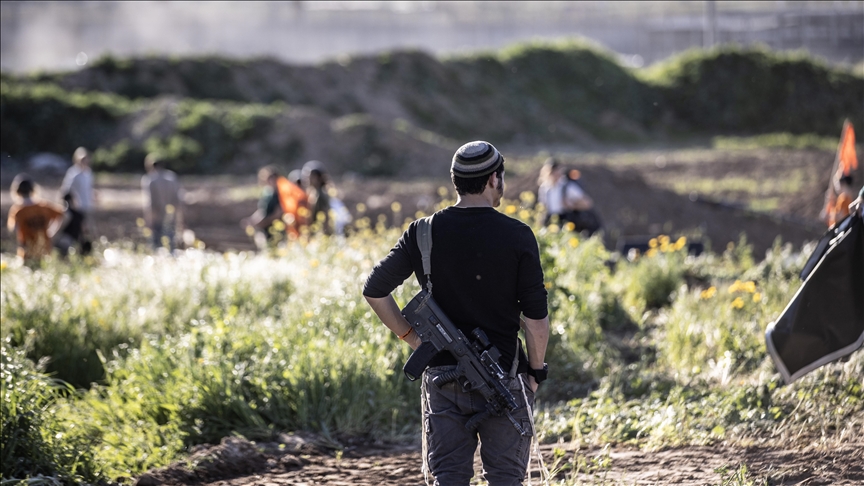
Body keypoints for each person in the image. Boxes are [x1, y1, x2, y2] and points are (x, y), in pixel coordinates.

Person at [363, 141, 550, 486]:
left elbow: (374, 290)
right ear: (495, 179)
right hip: (505, 375)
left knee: (448, 478)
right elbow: (536, 322)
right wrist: (536, 372)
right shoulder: (517, 235)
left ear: (456, 181)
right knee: (507, 479)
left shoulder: (423, 232)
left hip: (443, 378)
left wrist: (414, 338)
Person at [6, 174, 65, 261]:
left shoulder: (17, 210)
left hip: (27, 252)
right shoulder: (44, 206)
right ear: (33, 189)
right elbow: (64, 215)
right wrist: (52, 232)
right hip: (45, 251)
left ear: (17, 191)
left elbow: (13, 229)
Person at [536, 157, 600, 235]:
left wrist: (572, 205)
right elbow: (543, 207)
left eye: (556, 171)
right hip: (551, 220)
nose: (555, 174)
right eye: (552, 172)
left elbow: (587, 203)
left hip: (566, 219)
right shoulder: (544, 188)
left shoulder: (567, 186)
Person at [141, 154, 183, 250]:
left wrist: (148, 221)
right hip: (170, 216)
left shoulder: (150, 179)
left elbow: (149, 203)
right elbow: (178, 199)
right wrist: (179, 218)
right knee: (171, 246)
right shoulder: (171, 177)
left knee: (155, 246)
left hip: (156, 217)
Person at [242, 165, 286, 249]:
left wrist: (261, 223)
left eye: (274, 178)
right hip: (265, 229)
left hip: (275, 230)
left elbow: (277, 214)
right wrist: (252, 220)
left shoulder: (281, 195)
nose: (271, 181)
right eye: (269, 178)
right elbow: (262, 210)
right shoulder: (267, 193)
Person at [60, 147, 94, 231]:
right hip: (76, 206)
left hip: (87, 204)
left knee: (87, 226)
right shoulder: (73, 173)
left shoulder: (88, 173)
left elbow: (88, 188)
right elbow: (66, 189)